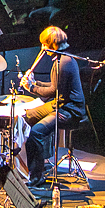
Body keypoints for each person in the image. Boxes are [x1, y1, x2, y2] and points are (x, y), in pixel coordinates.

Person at [22, 26, 90, 184]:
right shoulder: (62, 59)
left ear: (51, 45)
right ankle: (41, 161)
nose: (42, 48)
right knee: (28, 116)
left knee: (36, 133)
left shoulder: (63, 63)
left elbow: (53, 91)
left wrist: (31, 88)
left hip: (70, 110)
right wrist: (35, 82)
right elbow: (55, 85)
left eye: (44, 44)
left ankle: (36, 176)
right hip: (60, 104)